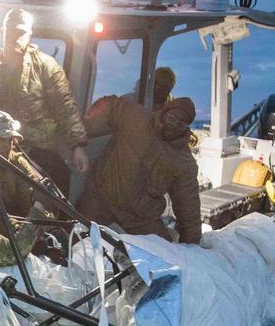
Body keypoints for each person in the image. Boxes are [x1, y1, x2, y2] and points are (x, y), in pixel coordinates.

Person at [0, 8, 89, 194]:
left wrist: (77, 146)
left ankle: (59, 223)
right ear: (2, 31)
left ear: (30, 34)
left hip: (37, 149)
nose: (15, 37)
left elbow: (65, 107)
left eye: (21, 32)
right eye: (11, 31)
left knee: (58, 178)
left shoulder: (46, 67)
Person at [77, 96, 202, 244]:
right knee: (72, 235)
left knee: (165, 256)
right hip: (101, 198)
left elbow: (188, 204)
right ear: (164, 112)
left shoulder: (183, 161)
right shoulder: (136, 118)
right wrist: (80, 133)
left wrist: (192, 242)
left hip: (139, 217)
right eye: (171, 117)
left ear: (186, 127)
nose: (173, 125)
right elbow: (110, 104)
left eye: (181, 123)